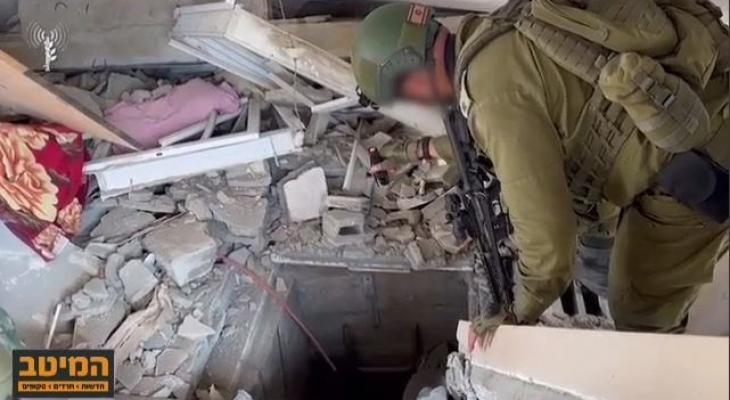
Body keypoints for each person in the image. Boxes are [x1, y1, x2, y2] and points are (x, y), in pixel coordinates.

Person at [351, 0, 729, 333]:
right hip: (700, 100)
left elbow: (549, 247)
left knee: (640, 312)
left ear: (414, 79)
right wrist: (413, 151)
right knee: (601, 242)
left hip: (700, 161)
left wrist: (516, 313)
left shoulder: (492, 96)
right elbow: (492, 135)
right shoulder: (492, 37)